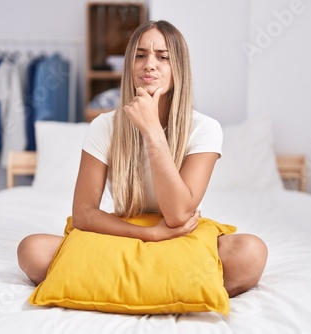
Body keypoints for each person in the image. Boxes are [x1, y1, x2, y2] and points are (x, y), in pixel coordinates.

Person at [17, 20, 268, 298]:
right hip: (124, 233)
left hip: (178, 235)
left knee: (250, 252)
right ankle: (171, 288)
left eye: (162, 57)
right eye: (140, 55)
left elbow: (178, 215)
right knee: (33, 250)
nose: (150, 64)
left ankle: (113, 286)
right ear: (130, 66)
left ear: (178, 69)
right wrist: (149, 235)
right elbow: (84, 213)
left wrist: (152, 133)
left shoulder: (205, 128)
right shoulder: (105, 126)